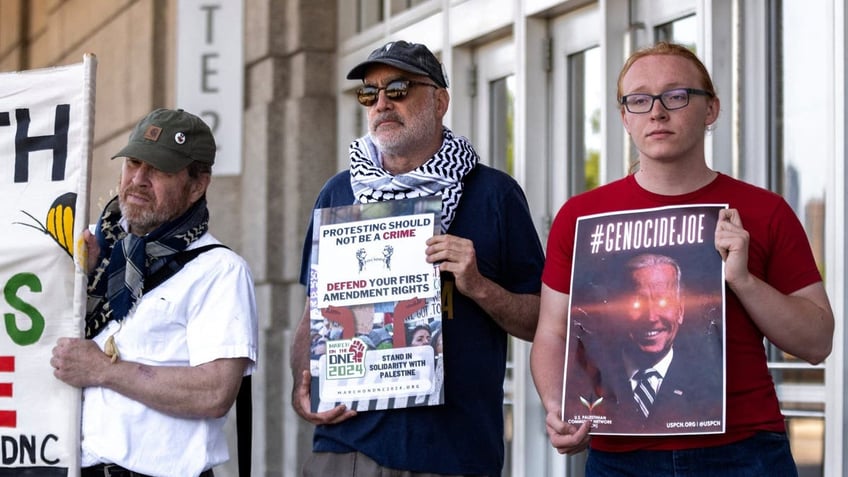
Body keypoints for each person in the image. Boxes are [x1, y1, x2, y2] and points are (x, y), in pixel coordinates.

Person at [531, 41, 834, 475]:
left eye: (676, 96)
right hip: (620, 456)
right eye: (639, 100)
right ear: (624, 117)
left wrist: (745, 281)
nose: (656, 111)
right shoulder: (581, 217)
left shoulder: (765, 212)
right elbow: (553, 334)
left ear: (710, 110)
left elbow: (816, 342)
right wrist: (557, 403)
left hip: (743, 452)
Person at [291, 40, 545, 476]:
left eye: (400, 87)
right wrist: (304, 377)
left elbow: (541, 320)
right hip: (348, 446)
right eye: (369, 93)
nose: (382, 103)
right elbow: (314, 310)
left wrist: (479, 286)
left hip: (454, 451)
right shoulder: (339, 192)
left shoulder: (494, 194)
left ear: (440, 100)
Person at [50, 108, 259, 477]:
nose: (138, 180)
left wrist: (104, 370)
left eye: (159, 169)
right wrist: (76, 282)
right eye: (133, 163)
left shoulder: (219, 270)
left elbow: (213, 394)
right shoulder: (84, 245)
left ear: (197, 185)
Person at [565, 252, 723, 434]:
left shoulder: (708, 384)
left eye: (664, 301)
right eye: (636, 303)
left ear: (680, 311)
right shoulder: (591, 375)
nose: (651, 317)